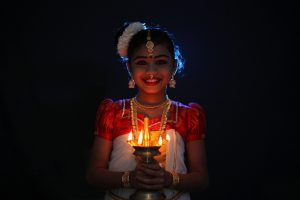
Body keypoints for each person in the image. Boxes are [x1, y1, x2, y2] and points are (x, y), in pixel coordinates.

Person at [86, 21, 209, 200]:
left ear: (173, 67)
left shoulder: (187, 116)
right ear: (129, 68)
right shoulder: (112, 113)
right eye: (142, 62)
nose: (151, 71)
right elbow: (93, 175)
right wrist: (130, 179)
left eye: (160, 62)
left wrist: (168, 179)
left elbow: (202, 179)